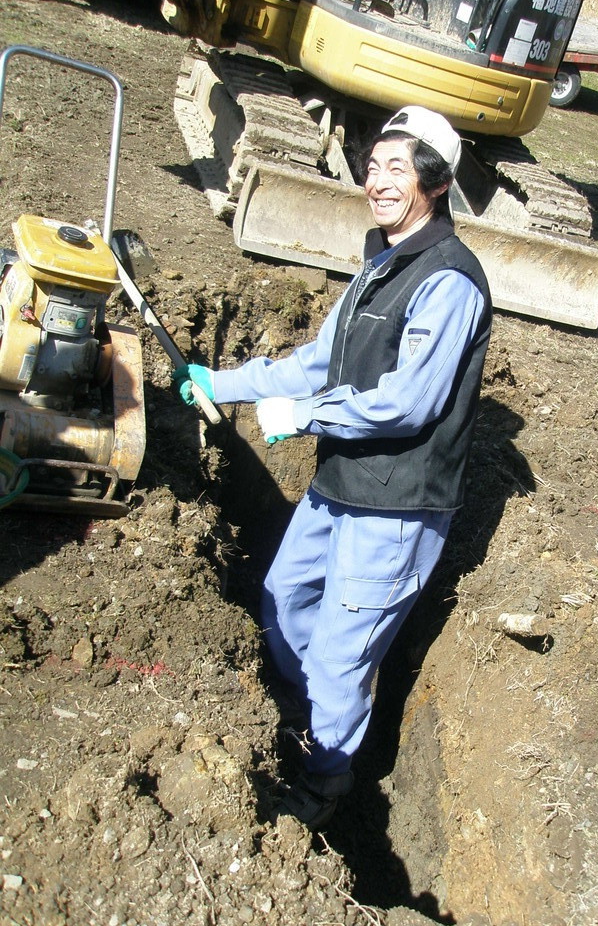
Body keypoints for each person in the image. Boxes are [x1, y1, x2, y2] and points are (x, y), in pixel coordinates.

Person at [174, 106, 492, 829]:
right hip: (340, 483)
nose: (377, 181)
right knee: (284, 597)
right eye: (373, 165)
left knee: (341, 658)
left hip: (399, 506)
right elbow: (318, 361)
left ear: (435, 184)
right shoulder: (380, 260)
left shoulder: (449, 282)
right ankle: (298, 715)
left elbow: (408, 404)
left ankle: (325, 781)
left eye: (397, 169)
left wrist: (306, 415)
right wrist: (226, 383)